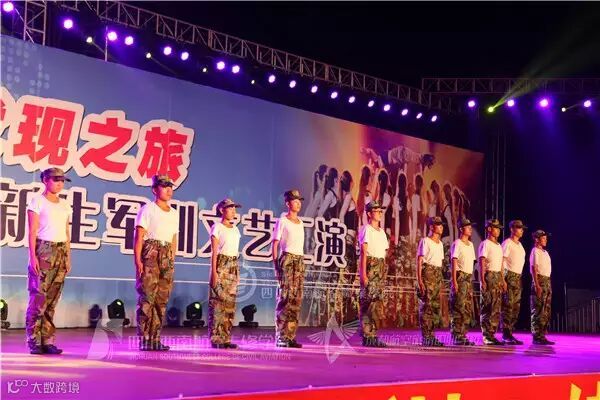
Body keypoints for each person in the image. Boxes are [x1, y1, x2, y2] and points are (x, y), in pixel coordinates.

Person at [25, 168, 73, 355]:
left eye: (62, 180)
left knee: (52, 300)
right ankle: (34, 340)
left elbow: (66, 233)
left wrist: (68, 257)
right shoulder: (37, 201)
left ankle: (48, 340)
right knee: (39, 298)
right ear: (45, 180)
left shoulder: (65, 205)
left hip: (61, 251)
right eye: (56, 179)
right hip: (43, 249)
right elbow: (32, 231)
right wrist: (32, 257)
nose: (60, 183)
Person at [134, 175, 179, 351]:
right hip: (151, 252)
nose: (168, 189)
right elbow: (139, 238)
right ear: (154, 190)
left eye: (170, 186)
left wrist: (172, 258)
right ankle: (144, 339)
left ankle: (155, 338)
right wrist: (138, 261)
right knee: (147, 298)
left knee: (161, 299)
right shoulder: (147, 210)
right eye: (164, 186)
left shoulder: (174, 213)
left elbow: (174, 238)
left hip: (167, 255)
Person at [272, 190, 306, 348]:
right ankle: (281, 336)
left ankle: (290, 335)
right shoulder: (282, 221)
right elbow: (275, 244)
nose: (298, 203)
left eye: (299, 200)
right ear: (287, 203)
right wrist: (276, 267)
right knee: (285, 298)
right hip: (287, 259)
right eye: (295, 200)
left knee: (296, 300)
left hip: (299, 261)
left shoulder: (301, 222)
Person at [208, 198, 242, 349]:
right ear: (222, 210)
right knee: (218, 303)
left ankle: (226, 338)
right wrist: (214, 273)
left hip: (233, 265)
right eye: (230, 208)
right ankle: (217, 339)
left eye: (235, 208)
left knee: (230, 304)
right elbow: (214, 252)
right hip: (221, 264)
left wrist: (237, 273)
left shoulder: (235, 229)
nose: (234, 211)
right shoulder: (217, 227)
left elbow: (235, 252)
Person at [358, 201, 389, 347]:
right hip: (370, 266)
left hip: (380, 267)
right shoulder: (366, 229)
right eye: (377, 210)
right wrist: (363, 274)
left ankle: (373, 335)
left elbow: (384, 254)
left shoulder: (382, 232)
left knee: (376, 303)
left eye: (381, 210)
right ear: (369, 214)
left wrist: (383, 273)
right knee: (368, 302)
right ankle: (367, 335)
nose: (380, 213)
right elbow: (363, 253)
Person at [416, 216, 445, 347]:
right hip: (428, 274)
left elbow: (439, 263)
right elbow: (419, 261)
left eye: (441, 225)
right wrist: (420, 281)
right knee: (426, 306)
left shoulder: (440, 244)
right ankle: (426, 337)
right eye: (438, 225)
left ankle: (431, 335)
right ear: (431, 227)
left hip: (437, 275)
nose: (441, 227)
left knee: (434, 307)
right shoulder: (425, 241)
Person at [479, 219, 506, 345]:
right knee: (488, 306)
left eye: (499, 228)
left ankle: (492, 334)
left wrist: (503, 279)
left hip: (497, 277)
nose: (498, 230)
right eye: (496, 227)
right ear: (489, 229)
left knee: (496, 307)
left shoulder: (499, 246)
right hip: (489, 276)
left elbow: (501, 264)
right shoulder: (485, 244)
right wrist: (482, 279)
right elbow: (482, 262)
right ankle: (487, 335)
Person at [450, 217, 477, 346]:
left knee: (466, 308)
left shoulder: (470, 245)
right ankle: (456, 335)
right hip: (460, 276)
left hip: (468, 278)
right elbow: (454, 261)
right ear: (461, 229)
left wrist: (471, 281)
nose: (470, 229)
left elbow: (471, 263)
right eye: (468, 227)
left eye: (471, 227)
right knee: (458, 306)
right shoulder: (457, 243)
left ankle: (463, 334)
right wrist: (454, 281)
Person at [501, 220, 527, 345]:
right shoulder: (507, 243)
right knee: (508, 306)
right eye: (519, 228)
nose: (522, 230)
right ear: (512, 229)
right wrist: (503, 280)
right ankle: (506, 334)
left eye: (522, 228)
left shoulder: (520, 245)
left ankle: (510, 333)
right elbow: (502, 261)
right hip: (509, 276)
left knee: (515, 308)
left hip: (518, 277)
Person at [530, 230, 555, 345]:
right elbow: (533, 268)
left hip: (547, 281)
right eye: (543, 238)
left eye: (546, 238)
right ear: (537, 239)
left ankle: (542, 335)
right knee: (538, 309)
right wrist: (536, 284)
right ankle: (537, 336)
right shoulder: (535, 251)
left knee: (546, 310)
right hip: (539, 280)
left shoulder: (545, 252)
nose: (546, 240)